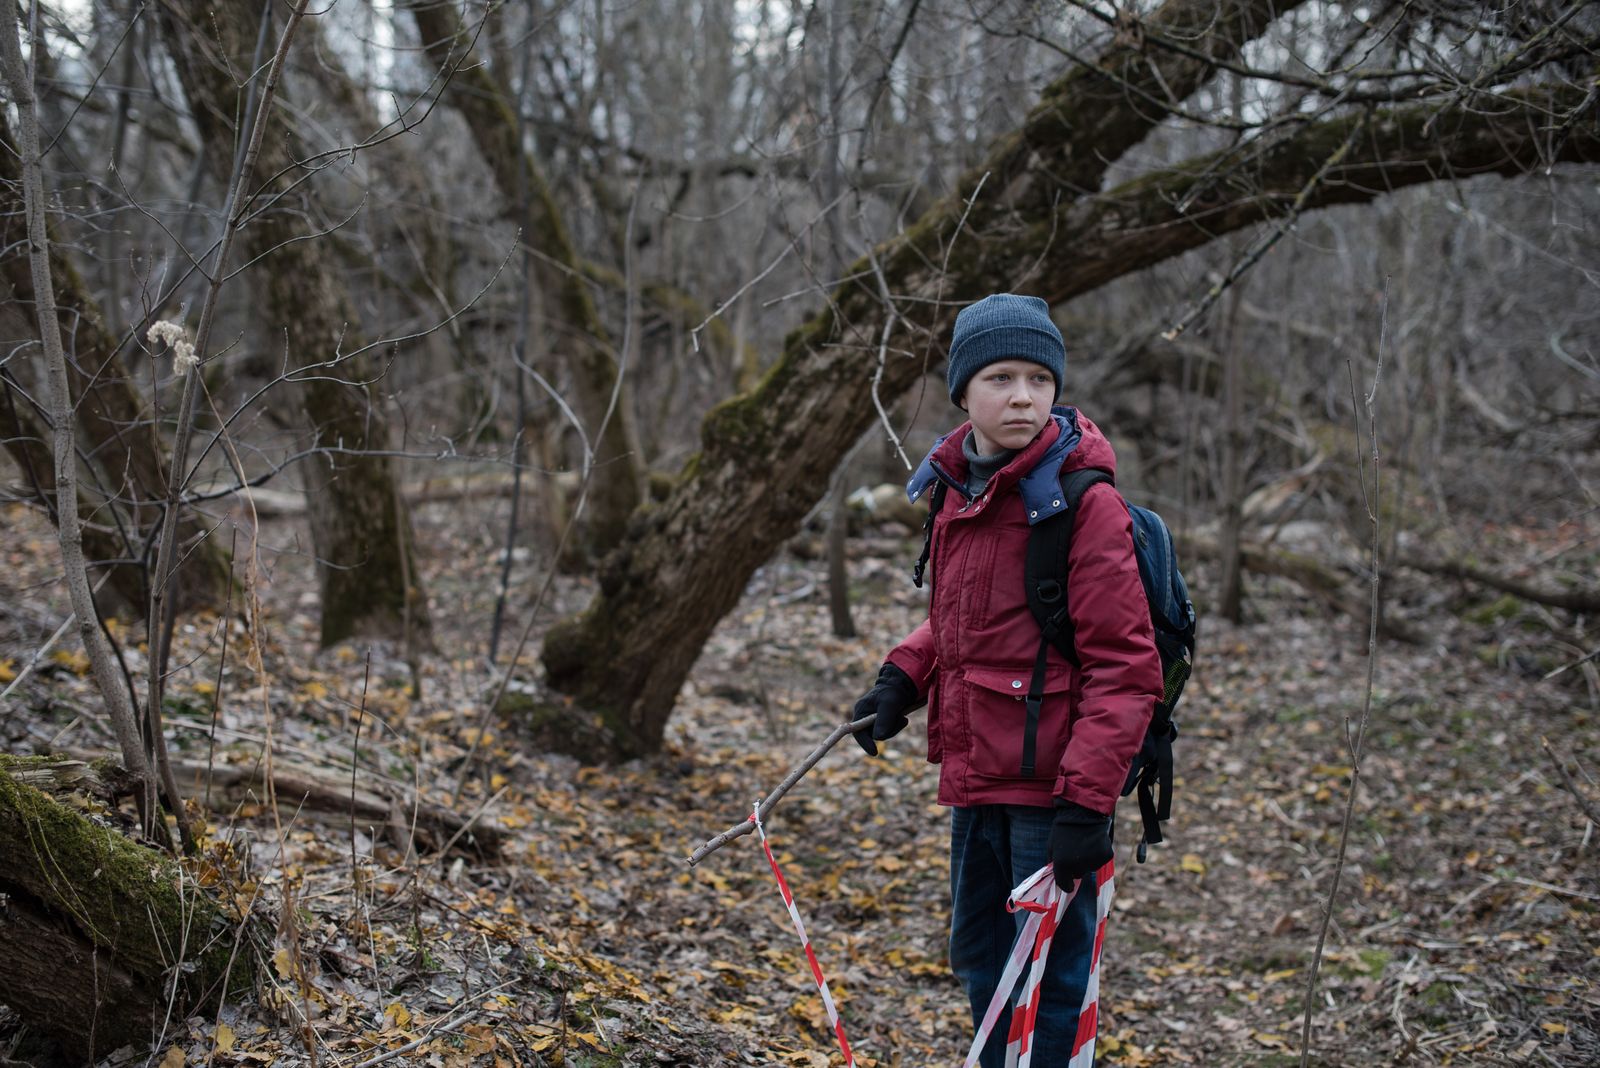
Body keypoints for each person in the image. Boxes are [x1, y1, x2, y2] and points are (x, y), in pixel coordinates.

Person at [853, 293, 1163, 1066]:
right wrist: (902, 677)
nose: (1022, 395)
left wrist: (1087, 806)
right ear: (964, 391)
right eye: (1000, 377)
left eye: (1037, 378)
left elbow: (1126, 669)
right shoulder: (960, 488)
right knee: (983, 960)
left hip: (1053, 795)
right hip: (977, 778)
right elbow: (967, 620)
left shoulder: (1085, 506)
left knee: (1049, 982)